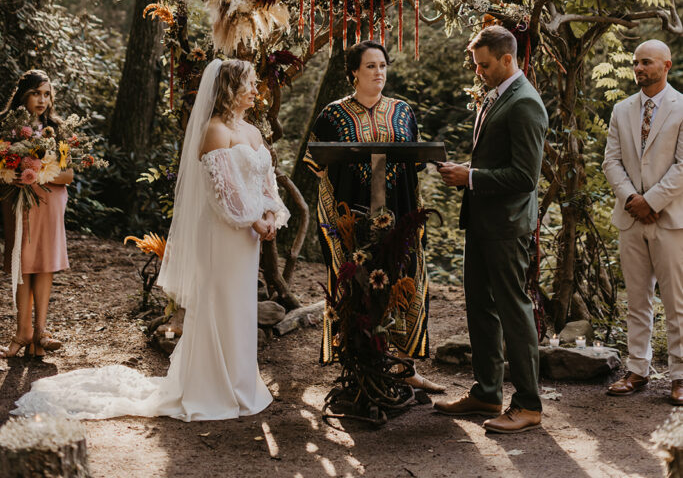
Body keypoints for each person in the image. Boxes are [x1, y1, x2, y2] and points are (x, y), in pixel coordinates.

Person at [12, 58, 290, 422]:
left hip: (248, 239)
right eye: (250, 84)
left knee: (240, 307)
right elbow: (224, 196)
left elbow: (265, 185)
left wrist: (269, 216)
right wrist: (255, 220)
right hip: (224, 235)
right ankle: (212, 387)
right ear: (230, 89)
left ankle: (241, 384)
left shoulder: (252, 132)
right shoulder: (215, 131)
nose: (256, 91)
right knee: (220, 304)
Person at [304, 40, 441, 392]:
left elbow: (416, 162)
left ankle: (404, 366)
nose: (379, 72)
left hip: (399, 216)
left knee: (402, 280)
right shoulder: (332, 115)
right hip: (353, 219)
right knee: (358, 285)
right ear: (353, 72)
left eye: (382, 65)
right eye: (370, 66)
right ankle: (359, 367)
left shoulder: (403, 111)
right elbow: (317, 168)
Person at [434, 24, 548, 433]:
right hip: (481, 222)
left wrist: (471, 177)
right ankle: (486, 392)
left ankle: (529, 405)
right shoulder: (496, 96)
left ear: (507, 59)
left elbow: (525, 177)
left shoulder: (525, 103)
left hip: (507, 226)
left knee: (514, 311)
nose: (478, 72)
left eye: (484, 65)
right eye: (476, 65)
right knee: (480, 308)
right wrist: (468, 176)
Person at [602, 39, 683, 406]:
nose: (638, 69)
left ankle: (680, 376)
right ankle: (637, 369)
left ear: (666, 65)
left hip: (671, 219)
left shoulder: (682, 108)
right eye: (635, 63)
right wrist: (633, 200)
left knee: (676, 302)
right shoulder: (621, 109)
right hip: (631, 218)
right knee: (637, 300)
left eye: (646, 62)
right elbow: (611, 162)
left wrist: (652, 201)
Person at [1, 69, 72, 359]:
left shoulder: (59, 129)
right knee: (22, 263)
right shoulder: (7, 127)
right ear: (23, 95)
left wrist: (37, 174)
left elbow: (67, 175)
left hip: (50, 201)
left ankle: (40, 332)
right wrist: (10, 174)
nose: (42, 100)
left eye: (47, 94)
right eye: (36, 93)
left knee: (44, 263)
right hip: (17, 200)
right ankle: (23, 332)